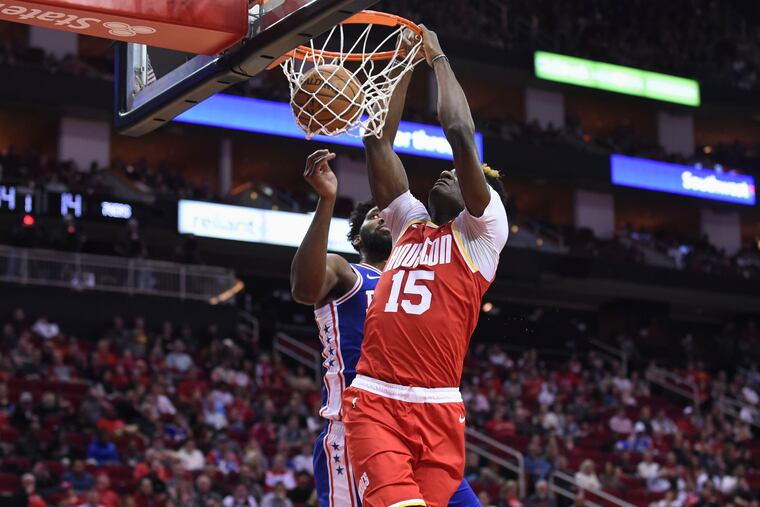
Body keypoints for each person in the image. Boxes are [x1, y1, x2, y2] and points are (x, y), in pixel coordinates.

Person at [342, 26, 509, 507]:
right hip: (376, 400)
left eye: (457, 175)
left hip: (439, 410)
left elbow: (458, 132)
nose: (445, 173)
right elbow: (377, 143)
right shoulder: (409, 223)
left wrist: (436, 57)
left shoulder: (482, 235)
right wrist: (402, 65)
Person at [290, 136, 480, 507]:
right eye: (370, 215)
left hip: (421, 427)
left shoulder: (429, 274)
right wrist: (327, 199)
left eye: (385, 213)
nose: (380, 215)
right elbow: (303, 287)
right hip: (359, 427)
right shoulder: (347, 272)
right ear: (357, 235)